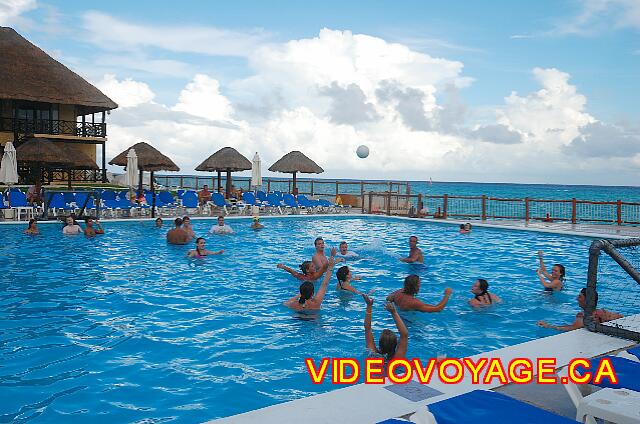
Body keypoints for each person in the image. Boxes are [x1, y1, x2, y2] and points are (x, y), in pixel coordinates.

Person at [537, 288, 623, 331]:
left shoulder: (582, 316)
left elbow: (571, 328)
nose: (577, 299)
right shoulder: (602, 312)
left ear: (587, 300)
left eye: (580, 297)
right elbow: (621, 316)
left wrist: (548, 326)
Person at [363, 294, 408, 362]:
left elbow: (367, 328)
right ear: (396, 344)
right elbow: (404, 334)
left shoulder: (374, 355)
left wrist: (369, 306)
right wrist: (394, 312)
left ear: (380, 344)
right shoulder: (398, 358)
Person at [386, 275, 453, 312]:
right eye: (419, 284)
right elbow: (438, 308)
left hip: (401, 314)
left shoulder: (398, 292)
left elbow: (388, 298)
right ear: (416, 287)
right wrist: (447, 295)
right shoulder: (414, 302)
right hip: (409, 321)